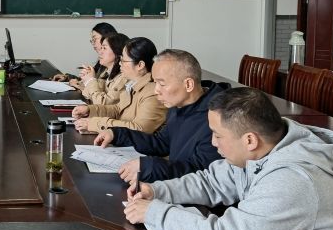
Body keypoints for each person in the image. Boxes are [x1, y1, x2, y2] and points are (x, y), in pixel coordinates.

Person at [124, 87, 333, 230]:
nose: (213, 143)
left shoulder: (293, 181)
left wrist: (156, 213)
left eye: (217, 135)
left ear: (249, 140)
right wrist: (157, 191)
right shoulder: (262, 152)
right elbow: (211, 182)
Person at [94, 49, 229, 183]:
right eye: (155, 82)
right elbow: (162, 142)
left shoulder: (219, 117)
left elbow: (202, 174)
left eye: (162, 84)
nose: (156, 90)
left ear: (188, 84)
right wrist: (118, 134)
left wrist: (149, 166)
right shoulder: (180, 103)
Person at [73, 37, 166, 134]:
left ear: (140, 65)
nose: (120, 63)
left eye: (123, 60)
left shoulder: (153, 93)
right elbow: (117, 110)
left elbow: (139, 129)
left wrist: (95, 124)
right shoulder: (132, 84)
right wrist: (90, 110)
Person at [51, 22, 118, 88]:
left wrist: (84, 85)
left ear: (107, 37)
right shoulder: (102, 62)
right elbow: (90, 80)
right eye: (92, 40)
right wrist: (68, 78)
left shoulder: (118, 67)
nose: (93, 43)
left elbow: (99, 88)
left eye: (95, 39)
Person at [77, 32, 129, 105]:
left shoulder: (124, 78)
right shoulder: (106, 72)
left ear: (117, 51)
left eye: (104, 48)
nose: (100, 52)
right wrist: (86, 80)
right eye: (101, 48)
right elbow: (88, 95)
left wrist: (90, 80)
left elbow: (103, 103)